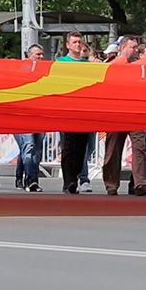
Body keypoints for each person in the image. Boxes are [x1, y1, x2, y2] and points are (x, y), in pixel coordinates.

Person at [101, 36, 146, 196]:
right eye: (133, 47)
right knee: (113, 150)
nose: (136, 50)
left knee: (139, 148)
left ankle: (141, 183)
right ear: (122, 48)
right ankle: (111, 184)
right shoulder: (114, 65)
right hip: (116, 113)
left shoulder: (141, 67)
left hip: (136, 113)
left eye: (137, 47)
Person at [58, 32, 92, 194]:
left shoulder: (88, 64)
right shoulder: (61, 62)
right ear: (68, 45)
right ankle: (68, 181)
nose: (78, 45)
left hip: (84, 111)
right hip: (67, 110)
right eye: (75, 42)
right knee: (68, 146)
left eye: (80, 42)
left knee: (82, 147)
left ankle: (76, 176)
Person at [14, 43, 47, 192]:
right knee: (29, 147)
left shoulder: (46, 74)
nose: (41, 57)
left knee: (35, 150)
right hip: (23, 117)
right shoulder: (20, 72)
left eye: (42, 54)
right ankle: (31, 181)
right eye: (37, 54)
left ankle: (21, 176)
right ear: (29, 56)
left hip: (40, 117)